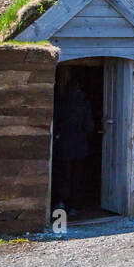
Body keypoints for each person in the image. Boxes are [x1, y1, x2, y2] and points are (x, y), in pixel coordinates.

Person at [54, 74, 95, 210]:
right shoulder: (84, 103)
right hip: (79, 144)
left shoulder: (60, 102)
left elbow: (55, 123)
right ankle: (74, 205)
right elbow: (89, 126)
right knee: (77, 175)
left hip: (63, 143)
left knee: (62, 173)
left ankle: (60, 201)